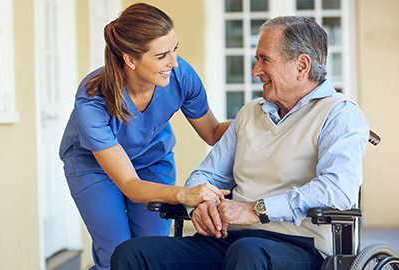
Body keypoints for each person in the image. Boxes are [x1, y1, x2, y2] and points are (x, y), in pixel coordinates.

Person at [111, 16, 370, 270]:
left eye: (264, 60)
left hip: (299, 245)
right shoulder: (250, 113)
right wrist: (201, 206)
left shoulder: (339, 113)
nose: (256, 71)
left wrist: (257, 210)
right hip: (227, 239)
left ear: (302, 66)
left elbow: (338, 190)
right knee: (132, 254)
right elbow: (207, 174)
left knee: (247, 253)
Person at [59, 3, 231, 270]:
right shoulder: (93, 100)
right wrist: (184, 194)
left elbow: (212, 132)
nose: (173, 62)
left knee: (151, 251)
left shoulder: (180, 74)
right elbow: (129, 183)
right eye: (162, 55)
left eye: (175, 49)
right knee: (116, 252)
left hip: (151, 159)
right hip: (93, 167)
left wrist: (257, 122)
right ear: (130, 59)